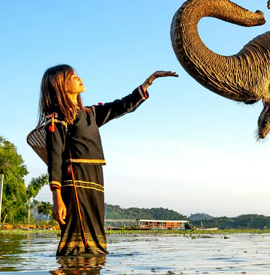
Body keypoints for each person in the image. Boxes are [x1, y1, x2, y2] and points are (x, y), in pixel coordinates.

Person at [38, 64, 177, 256]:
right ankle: (69, 271)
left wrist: (149, 81)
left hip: (95, 177)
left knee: (95, 232)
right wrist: (57, 199)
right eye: (73, 77)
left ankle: (92, 269)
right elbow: (55, 159)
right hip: (75, 179)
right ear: (60, 85)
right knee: (76, 236)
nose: (79, 78)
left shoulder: (91, 113)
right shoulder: (57, 119)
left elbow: (122, 105)